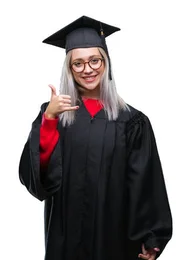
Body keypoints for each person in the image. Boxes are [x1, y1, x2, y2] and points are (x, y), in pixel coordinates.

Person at [18, 16, 172, 260]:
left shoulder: (131, 122)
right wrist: (49, 119)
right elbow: (38, 179)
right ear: (68, 69)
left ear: (106, 62)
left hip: (113, 239)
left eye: (94, 60)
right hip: (64, 238)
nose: (87, 69)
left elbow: (145, 184)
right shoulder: (55, 115)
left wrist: (152, 238)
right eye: (77, 64)